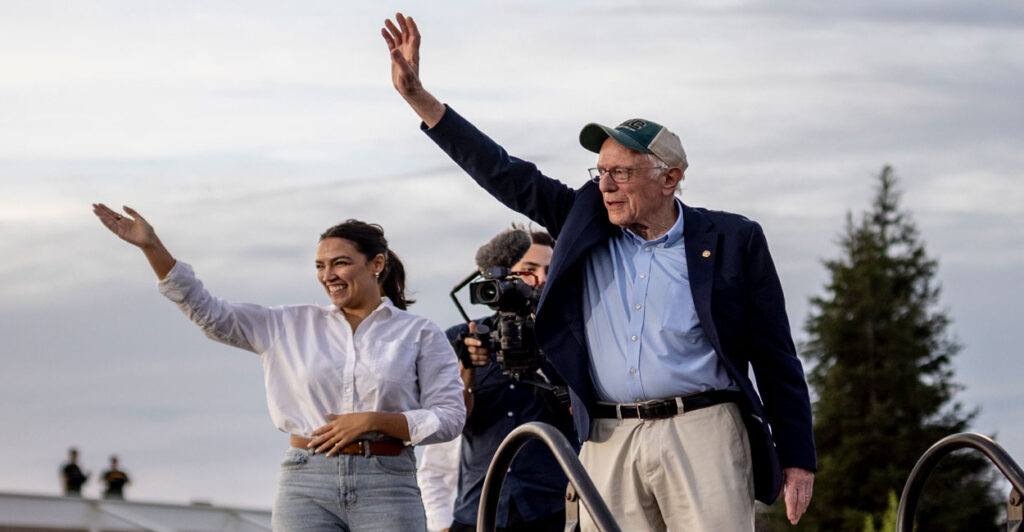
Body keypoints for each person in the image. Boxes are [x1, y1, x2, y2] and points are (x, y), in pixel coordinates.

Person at [382, 14, 816, 531]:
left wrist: (798, 457)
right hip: (608, 435)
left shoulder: (732, 239)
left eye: (622, 172)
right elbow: (501, 171)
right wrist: (419, 98)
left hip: (704, 430)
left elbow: (775, 355)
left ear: (669, 178)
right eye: (601, 171)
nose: (606, 184)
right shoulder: (584, 221)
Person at [92, 204, 465, 531]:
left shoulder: (420, 333)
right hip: (306, 483)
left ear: (377, 264)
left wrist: (375, 421)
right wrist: (152, 247)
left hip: (388, 483)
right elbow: (208, 313)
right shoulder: (287, 324)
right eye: (320, 266)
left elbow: (449, 416)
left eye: (340, 263)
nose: (328, 275)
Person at [445, 227, 577, 532]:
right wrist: (467, 367)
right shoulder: (461, 338)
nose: (541, 280)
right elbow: (450, 423)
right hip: (480, 508)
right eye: (528, 271)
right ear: (500, 278)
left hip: (557, 506)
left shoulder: (572, 337)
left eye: (549, 270)